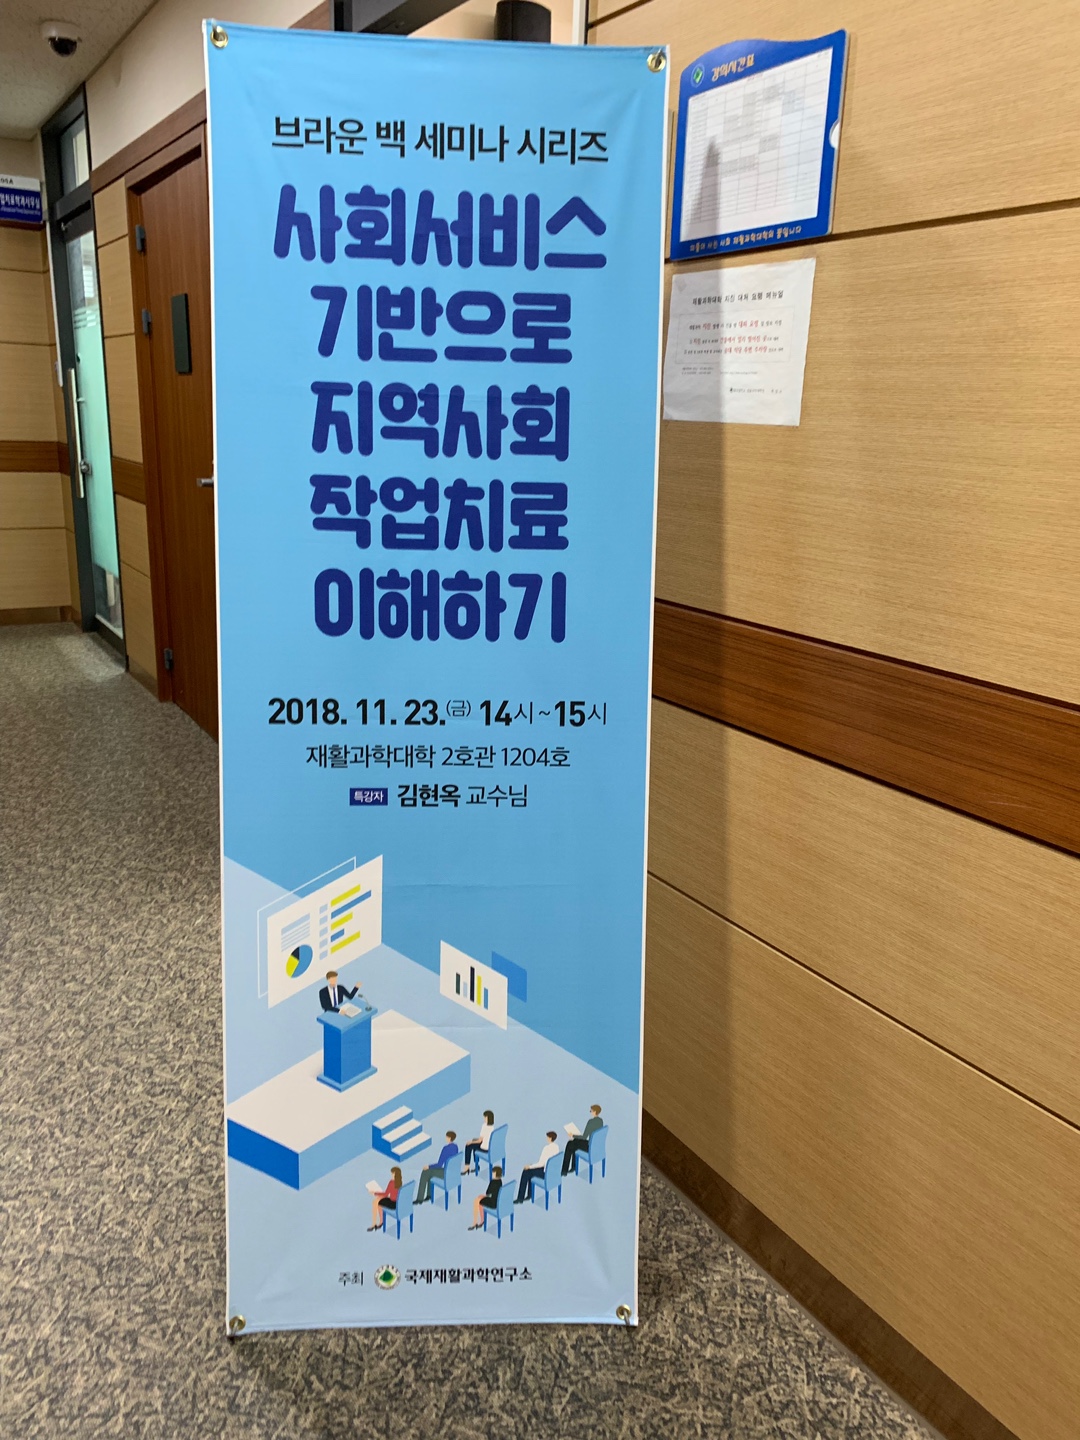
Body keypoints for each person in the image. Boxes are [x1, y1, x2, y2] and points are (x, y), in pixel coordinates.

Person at [515, 1131, 561, 1204]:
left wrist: (530, 1166)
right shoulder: (556, 1147)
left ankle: (520, 1198)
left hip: (546, 1173)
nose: (546, 1138)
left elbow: (541, 1163)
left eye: (547, 1137)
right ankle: (529, 1195)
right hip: (552, 1172)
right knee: (530, 1171)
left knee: (526, 1172)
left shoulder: (546, 1148)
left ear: (550, 1138)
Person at [416, 1131, 459, 1205]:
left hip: (445, 1173)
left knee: (425, 1172)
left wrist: (428, 1166)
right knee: (430, 1172)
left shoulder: (445, 1148)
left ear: (449, 1138)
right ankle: (429, 1195)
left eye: (447, 1137)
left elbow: (439, 1164)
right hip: (452, 1171)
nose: (446, 1138)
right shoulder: (455, 1147)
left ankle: (420, 1199)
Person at [561, 1104, 604, 1176]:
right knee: (574, 1142)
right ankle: (574, 1166)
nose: (590, 1112)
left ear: (595, 1111)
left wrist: (573, 1135)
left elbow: (584, 1137)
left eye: (591, 1111)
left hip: (590, 1147)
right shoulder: (601, 1121)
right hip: (596, 1146)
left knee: (570, 1144)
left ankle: (564, 1170)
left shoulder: (591, 1122)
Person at [468, 1165, 504, 1231]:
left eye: (493, 1173)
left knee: (477, 1201)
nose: (492, 1174)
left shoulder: (493, 1182)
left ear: (496, 1174)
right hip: (497, 1201)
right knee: (479, 1198)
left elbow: (487, 1193)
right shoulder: (500, 1181)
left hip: (492, 1203)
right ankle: (481, 1221)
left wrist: (484, 1196)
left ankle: (475, 1222)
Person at [368, 1166, 402, 1231]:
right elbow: (392, 1194)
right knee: (378, 1200)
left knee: (377, 1202)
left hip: (392, 1203)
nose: (391, 1175)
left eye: (392, 1174)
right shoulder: (400, 1182)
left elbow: (386, 1194)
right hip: (397, 1202)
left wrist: (375, 1193)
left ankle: (375, 1223)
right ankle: (380, 1222)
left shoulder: (392, 1182)